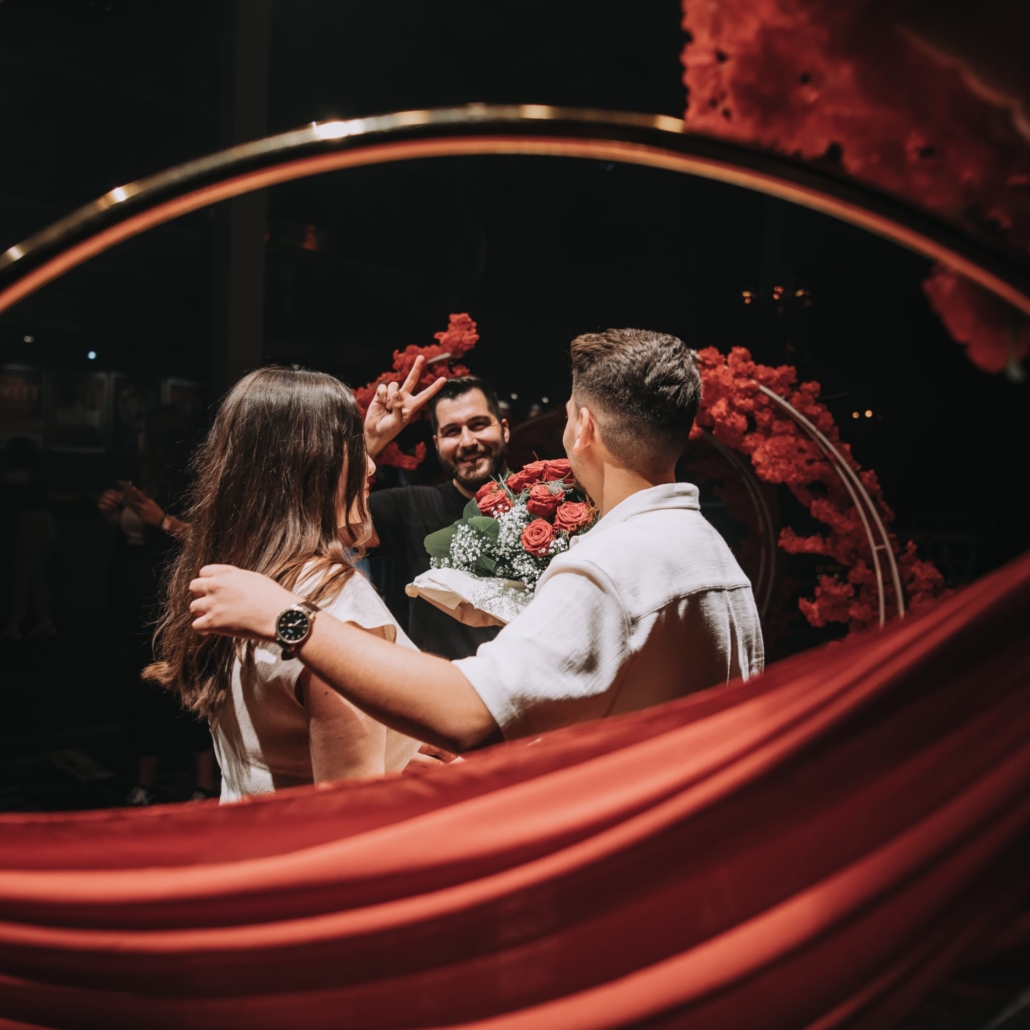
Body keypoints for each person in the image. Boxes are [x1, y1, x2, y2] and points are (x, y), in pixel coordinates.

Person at [189, 329, 765, 754]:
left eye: (568, 416)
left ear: (583, 428)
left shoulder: (608, 566)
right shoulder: (711, 554)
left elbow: (468, 714)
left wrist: (290, 618)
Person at [146, 366, 432, 802]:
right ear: (313, 466)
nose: (372, 465)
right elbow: (347, 809)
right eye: (350, 448)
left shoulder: (240, 571)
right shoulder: (337, 605)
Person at [98, 406, 216, 804]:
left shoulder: (189, 479)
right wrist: (114, 514)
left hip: (170, 597)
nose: (138, 436)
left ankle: (204, 784)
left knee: (182, 682)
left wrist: (161, 519)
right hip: (134, 595)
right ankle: (145, 782)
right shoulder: (141, 477)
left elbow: (207, 539)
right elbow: (135, 541)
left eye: (143, 429)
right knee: (142, 689)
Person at [365, 374, 510, 659]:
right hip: (442, 682)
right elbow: (322, 521)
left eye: (478, 425)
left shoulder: (550, 504)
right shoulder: (409, 507)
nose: (468, 441)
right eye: (452, 431)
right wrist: (369, 443)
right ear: (436, 442)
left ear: (504, 430)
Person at [1, 437, 57, 642]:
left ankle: (15, 624)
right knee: (38, 575)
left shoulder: (17, 476)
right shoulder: (38, 475)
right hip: (46, 525)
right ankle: (44, 620)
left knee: (21, 575)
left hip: (29, 526)